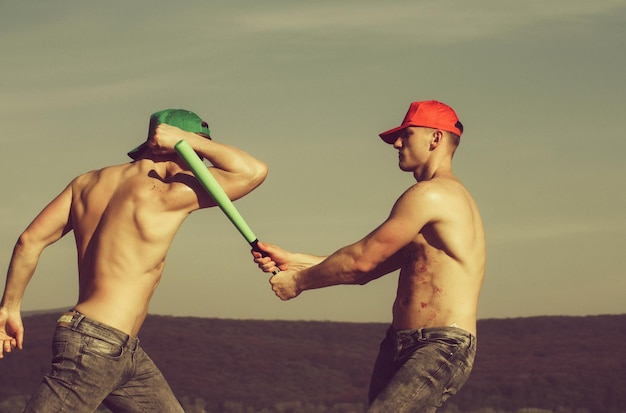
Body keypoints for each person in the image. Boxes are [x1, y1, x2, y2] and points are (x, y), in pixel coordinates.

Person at [0, 109, 268, 412]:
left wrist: (10, 308)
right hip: (96, 347)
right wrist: (190, 141)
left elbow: (29, 241)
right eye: (197, 154)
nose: (202, 165)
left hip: (119, 350)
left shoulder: (86, 183)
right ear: (173, 144)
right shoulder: (167, 192)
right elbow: (253, 171)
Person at [253, 100, 486, 412]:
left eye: (407, 134)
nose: (397, 144)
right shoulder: (434, 202)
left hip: (440, 345)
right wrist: (295, 260)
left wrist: (298, 282)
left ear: (436, 138)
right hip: (401, 343)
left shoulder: (433, 195)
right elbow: (373, 266)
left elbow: (361, 262)